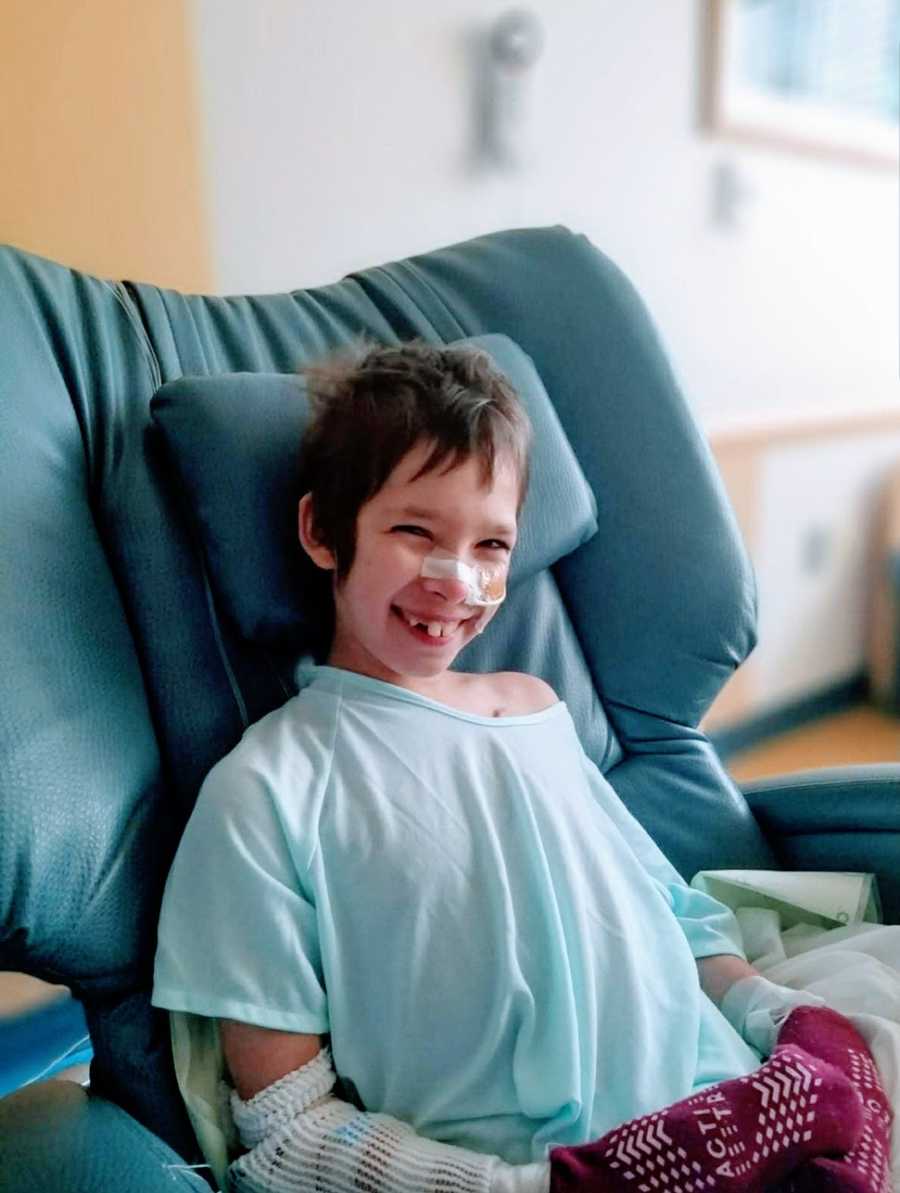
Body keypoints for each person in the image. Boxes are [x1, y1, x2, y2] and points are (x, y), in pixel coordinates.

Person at [152, 342, 890, 1193]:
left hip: (740, 1107)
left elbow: (668, 913)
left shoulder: (536, 708)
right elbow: (286, 1127)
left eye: (492, 544)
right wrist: (530, 1188)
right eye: (414, 531)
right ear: (323, 530)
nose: (455, 580)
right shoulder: (266, 789)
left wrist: (778, 1014)